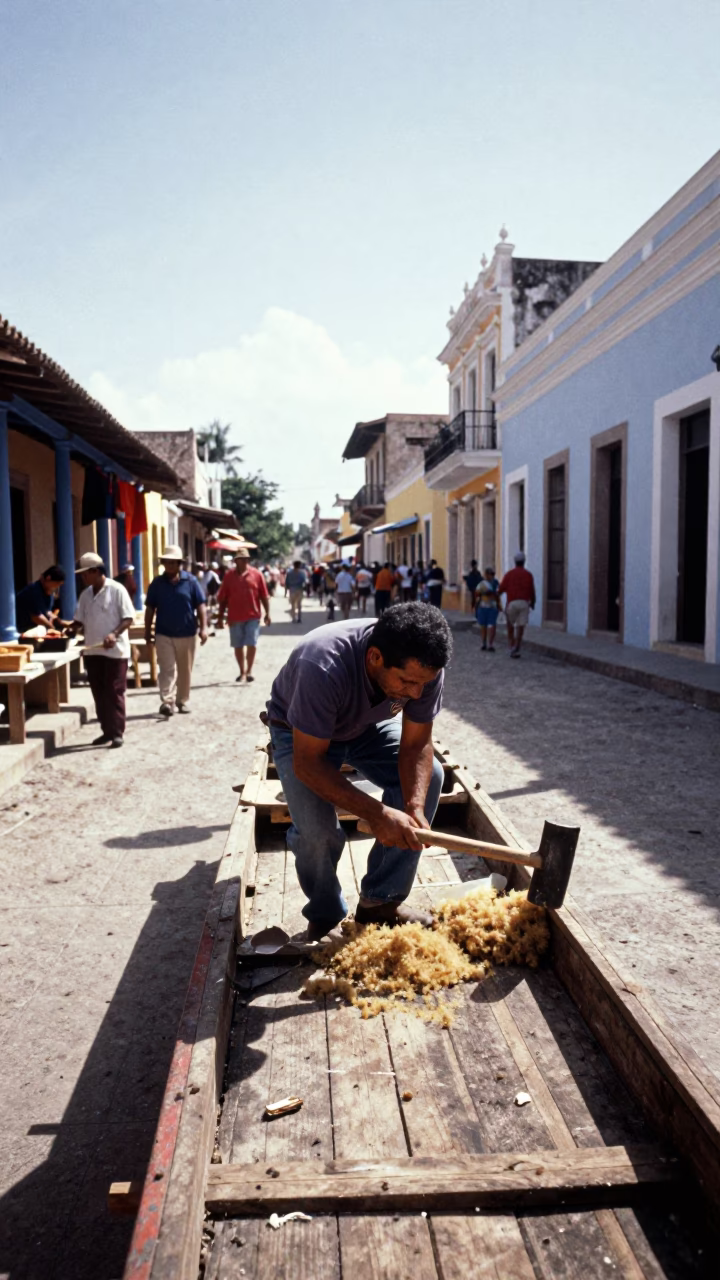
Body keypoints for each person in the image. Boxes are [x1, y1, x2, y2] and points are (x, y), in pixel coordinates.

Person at [266, 602, 452, 939]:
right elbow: (309, 764)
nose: (416, 693)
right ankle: (325, 911)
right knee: (317, 832)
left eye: (423, 684)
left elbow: (417, 745)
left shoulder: (424, 670)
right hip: (300, 733)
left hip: (365, 725)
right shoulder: (321, 664)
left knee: (432, 777)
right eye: (407, 682)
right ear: (375, 658)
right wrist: (379, 814)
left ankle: (380, 902)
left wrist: (412, 807)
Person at [69, 552, 134, 748]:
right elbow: (79, 621)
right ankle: (106, 730)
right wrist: (65, 627)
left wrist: (114, 634)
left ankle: (117, 732)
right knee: (99, 693)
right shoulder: (86, 595)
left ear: (96, 571)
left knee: (114, 692)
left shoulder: (116, 590)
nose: (83, 578)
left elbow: (128, 618)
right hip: (93, 651)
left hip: (114, 652)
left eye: (85, 574)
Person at [144, 544, 208, 716]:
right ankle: (167, 701)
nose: (170, 566)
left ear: (180, 564)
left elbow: (201, 606)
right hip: (163, 633)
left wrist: (204, 628)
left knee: (185, 669)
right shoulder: (157, 583)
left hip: (187, 633)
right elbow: (150, 608)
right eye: (167, 562)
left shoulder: (191, 582)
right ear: (163, 563)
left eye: (174, 563)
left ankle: (182, 700)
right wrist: (147, 631)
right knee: (167, 668)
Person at [217, 546, 271, 681]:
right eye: (240, 559)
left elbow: (264, 596)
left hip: (253, 615)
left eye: (245, 559)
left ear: (248, 560)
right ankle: (242, 671)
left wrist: (267, 613)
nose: (243, 562)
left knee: (251, 643)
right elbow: (223, 599)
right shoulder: (229, 576)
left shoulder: (257, 575)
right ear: (236, 561)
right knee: (238, 645)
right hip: (234, 617)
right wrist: (220, 617)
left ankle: (249, 670)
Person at [499, 552, 536, 658]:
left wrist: (497, 599)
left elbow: (501, 589)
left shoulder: (509, 574)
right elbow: (532, 591)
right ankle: (517, 646)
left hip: (512, 602)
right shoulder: (528, 575)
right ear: (524, 562)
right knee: (521, 626)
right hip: (524, 602)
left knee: (510, 624)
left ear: (515, 562)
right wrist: (533, 602)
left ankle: (511, 644)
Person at [15, 565, 66, 633]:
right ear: (48, 578)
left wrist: (59, 621)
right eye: (57, 584)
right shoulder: (33, 591)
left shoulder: (48, 593)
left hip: (36, 631)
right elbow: (36, 616)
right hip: (23, 630)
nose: (57, 587)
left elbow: (47, 612)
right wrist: (52, 628)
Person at [474, 567, 500, 651]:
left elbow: (477, 594)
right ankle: (486, 643)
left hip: (489, 607)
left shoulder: (486, 584)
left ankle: (488, 643)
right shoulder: (492, 583)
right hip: (486, 606)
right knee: (485, 625)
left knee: (489, 625)